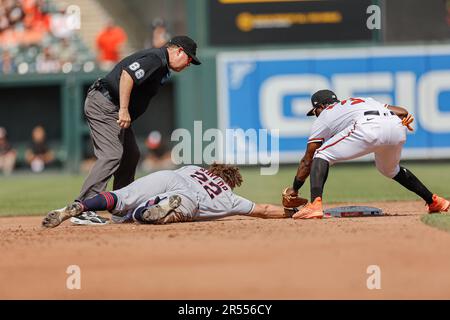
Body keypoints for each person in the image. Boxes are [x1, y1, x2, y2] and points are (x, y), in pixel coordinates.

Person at [69, 35, 201, 226]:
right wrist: (123, 109)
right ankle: (82, 207)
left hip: (111, 106)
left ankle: (121, 206)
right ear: (179, 50)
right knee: (112, 154)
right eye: (189, 59)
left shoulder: (162, 64)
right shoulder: (157, 58)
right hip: (106, 104)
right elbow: (127, 75)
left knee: (130, 155)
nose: (188, 64)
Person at [283, 89, 450, 219]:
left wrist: (295, 189)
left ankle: (315, 204)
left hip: (368, 127)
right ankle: (435, 201)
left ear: (320, 106)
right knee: (389, 169)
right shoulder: (362, 101)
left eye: (315, 111)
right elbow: (402, 111)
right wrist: (402, 119)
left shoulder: (324, 115)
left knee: (321, 154)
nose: (316, 115)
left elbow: (307, 160)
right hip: (396, 126)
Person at [42, 163, 295, 228]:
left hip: (170, 177)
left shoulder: (196, 168)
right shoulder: (229, 197)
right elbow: (262, 209)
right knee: (147, 216)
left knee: (119, 199)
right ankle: (155, 213)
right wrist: (291, 213)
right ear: (231, 182)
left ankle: (77, 207)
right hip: (190, 199)